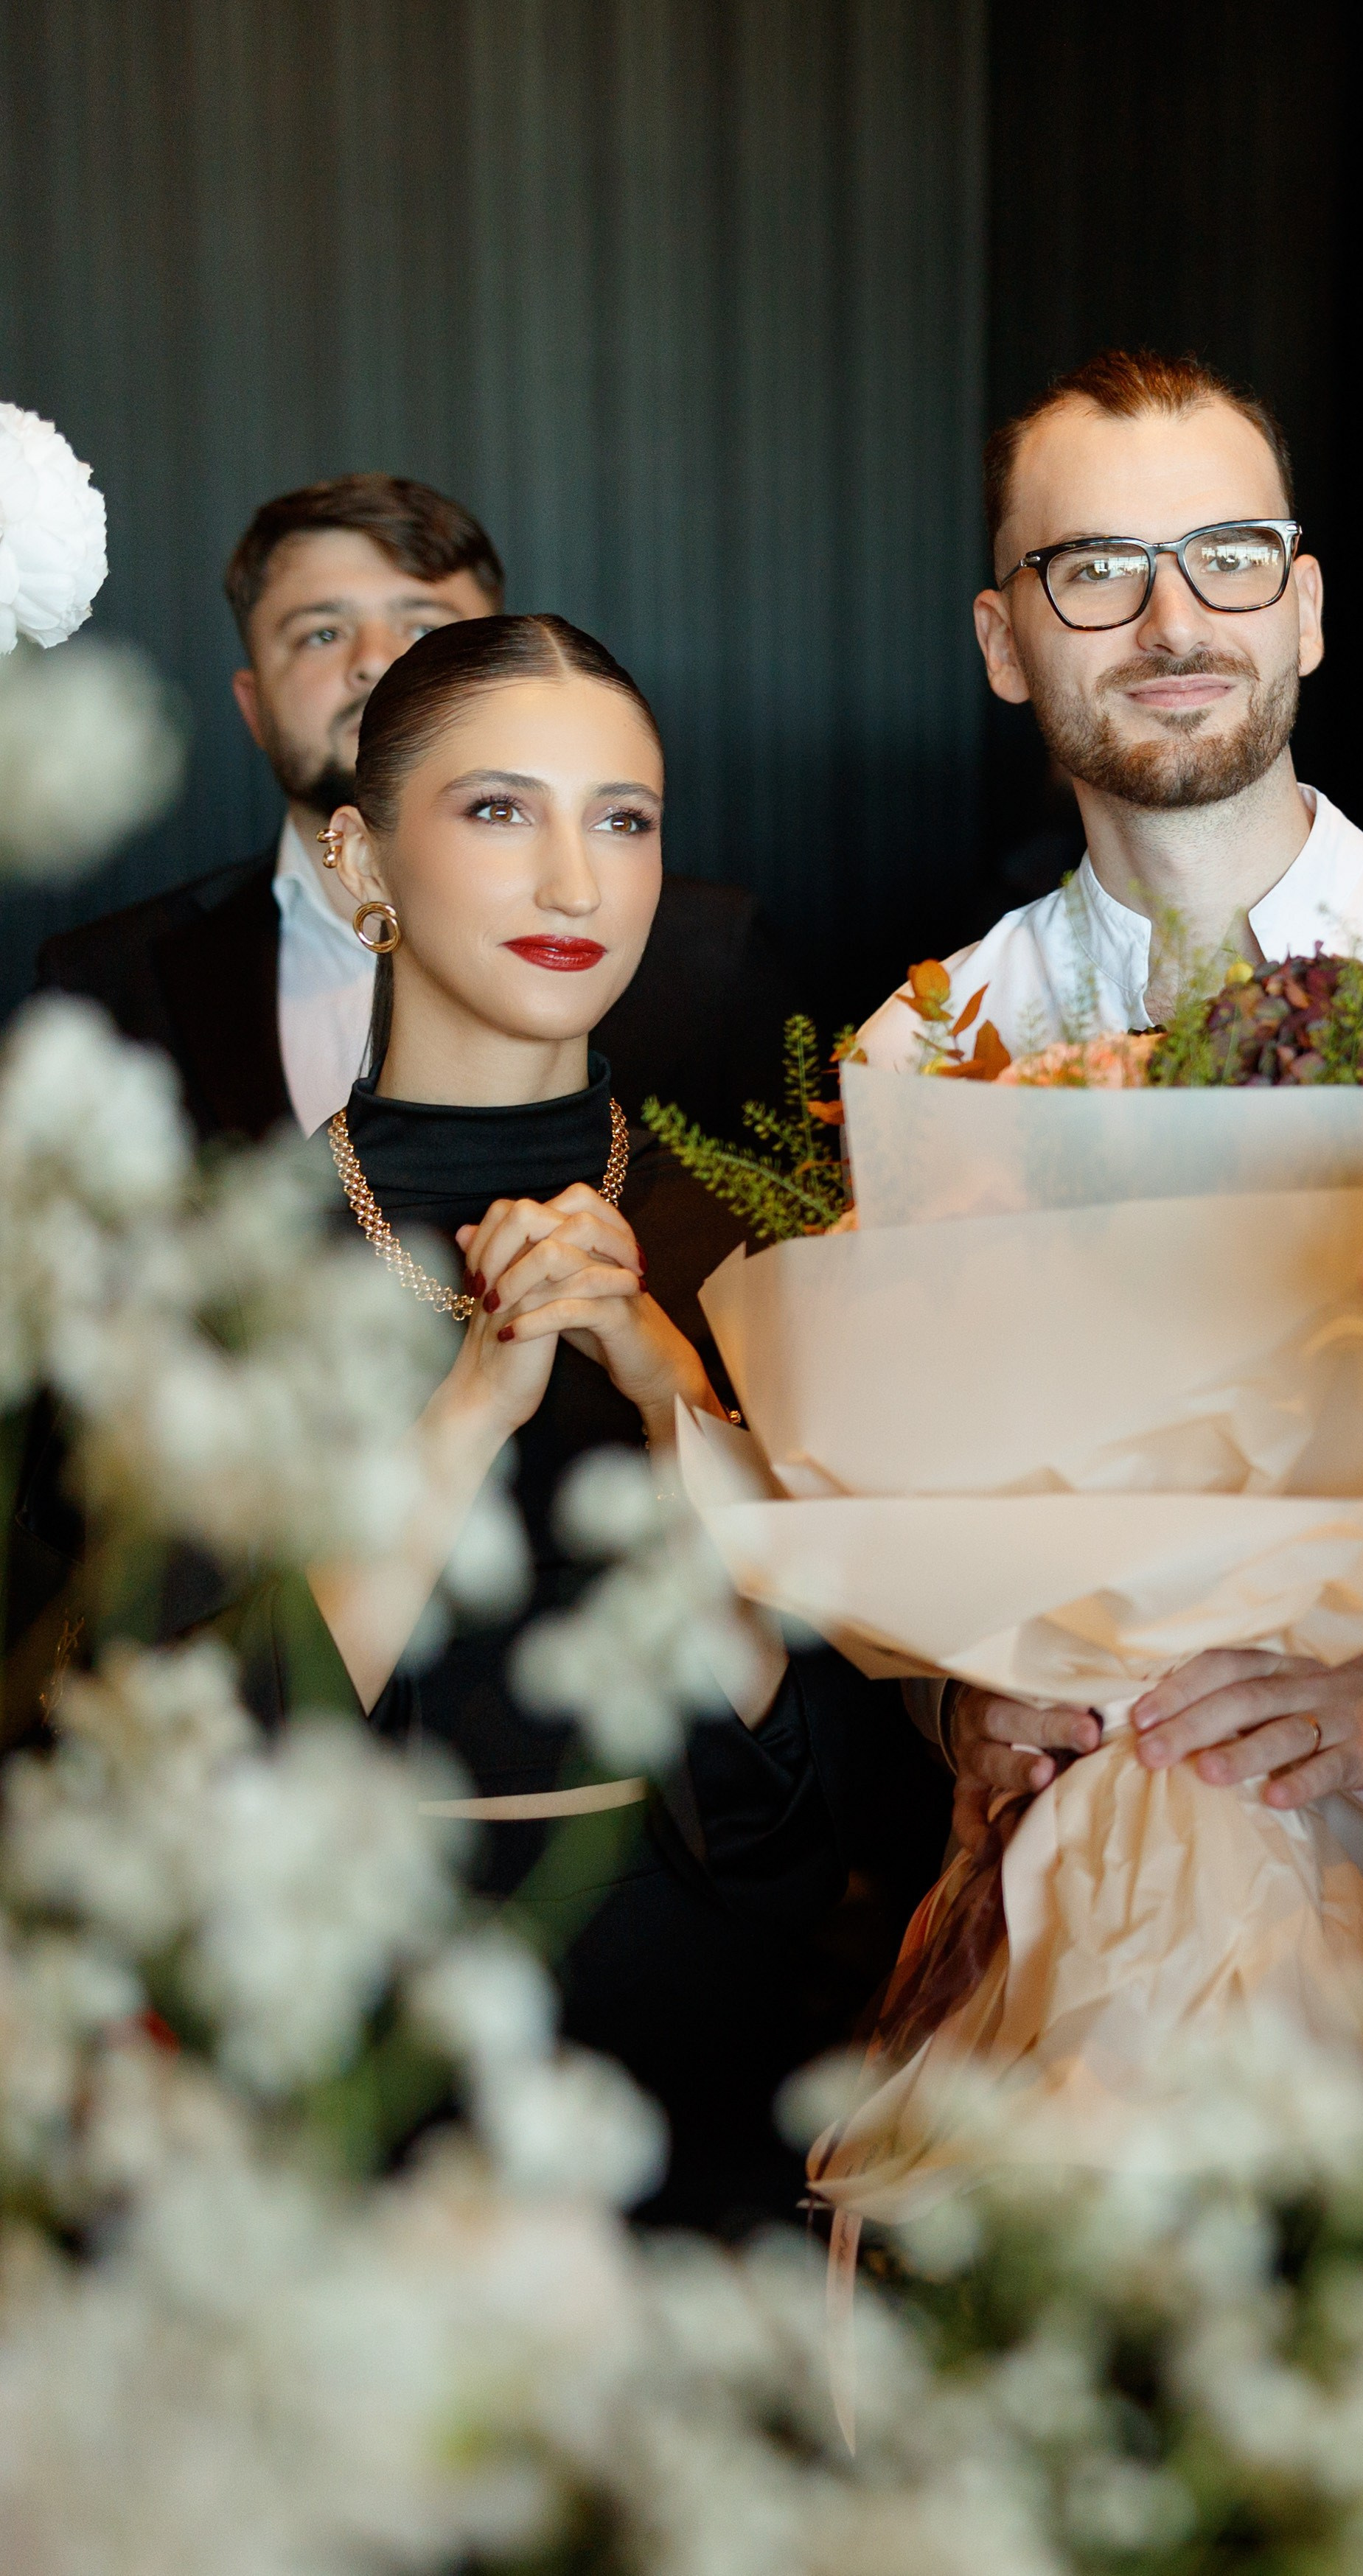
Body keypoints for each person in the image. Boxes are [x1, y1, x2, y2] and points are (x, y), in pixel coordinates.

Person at [855, 346, 1363, 1846]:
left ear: (1302, 607)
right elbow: (895, 1517)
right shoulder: (927, 1052)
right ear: (1003, 639)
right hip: (1095, 1891)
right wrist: (953, 1701)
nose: (1173, 623)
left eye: (1228, 560)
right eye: (1095, 568)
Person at [223, 612, 948, 2230]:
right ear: (360, 860)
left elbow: (828, 1805)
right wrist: (472, 1406)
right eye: (500, 811)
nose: (575, 881)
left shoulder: (756, 1234)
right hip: (346, 2089)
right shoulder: (225, 1256)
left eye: (622, 818)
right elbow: (202, 1764)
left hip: (711, 2062)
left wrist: (669, 1395)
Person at [35, 475, 791, 1142]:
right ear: (253, 705)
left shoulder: (711, 953)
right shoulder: (102, 983)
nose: (376, 660)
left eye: (426, 630)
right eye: (321, 633)